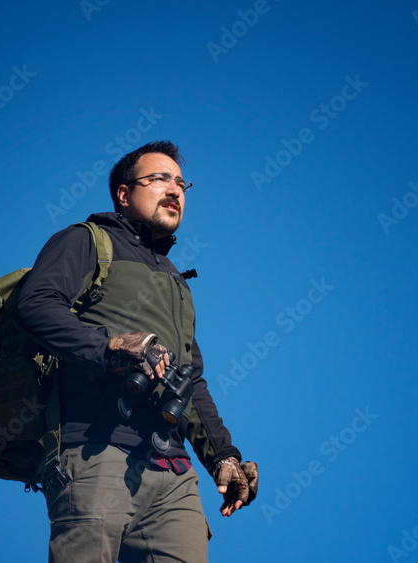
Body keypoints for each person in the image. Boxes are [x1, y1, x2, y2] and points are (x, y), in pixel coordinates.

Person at [15, 140, 257, 562]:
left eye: (181, 182)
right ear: (124, 195)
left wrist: (223, 455)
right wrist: (109, 345)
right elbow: (35, 305)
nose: (175, 190)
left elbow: (190, 379)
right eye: (159, 178)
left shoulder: (177, 282)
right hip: (96, 451)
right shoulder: (87, 241)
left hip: (173, 472)